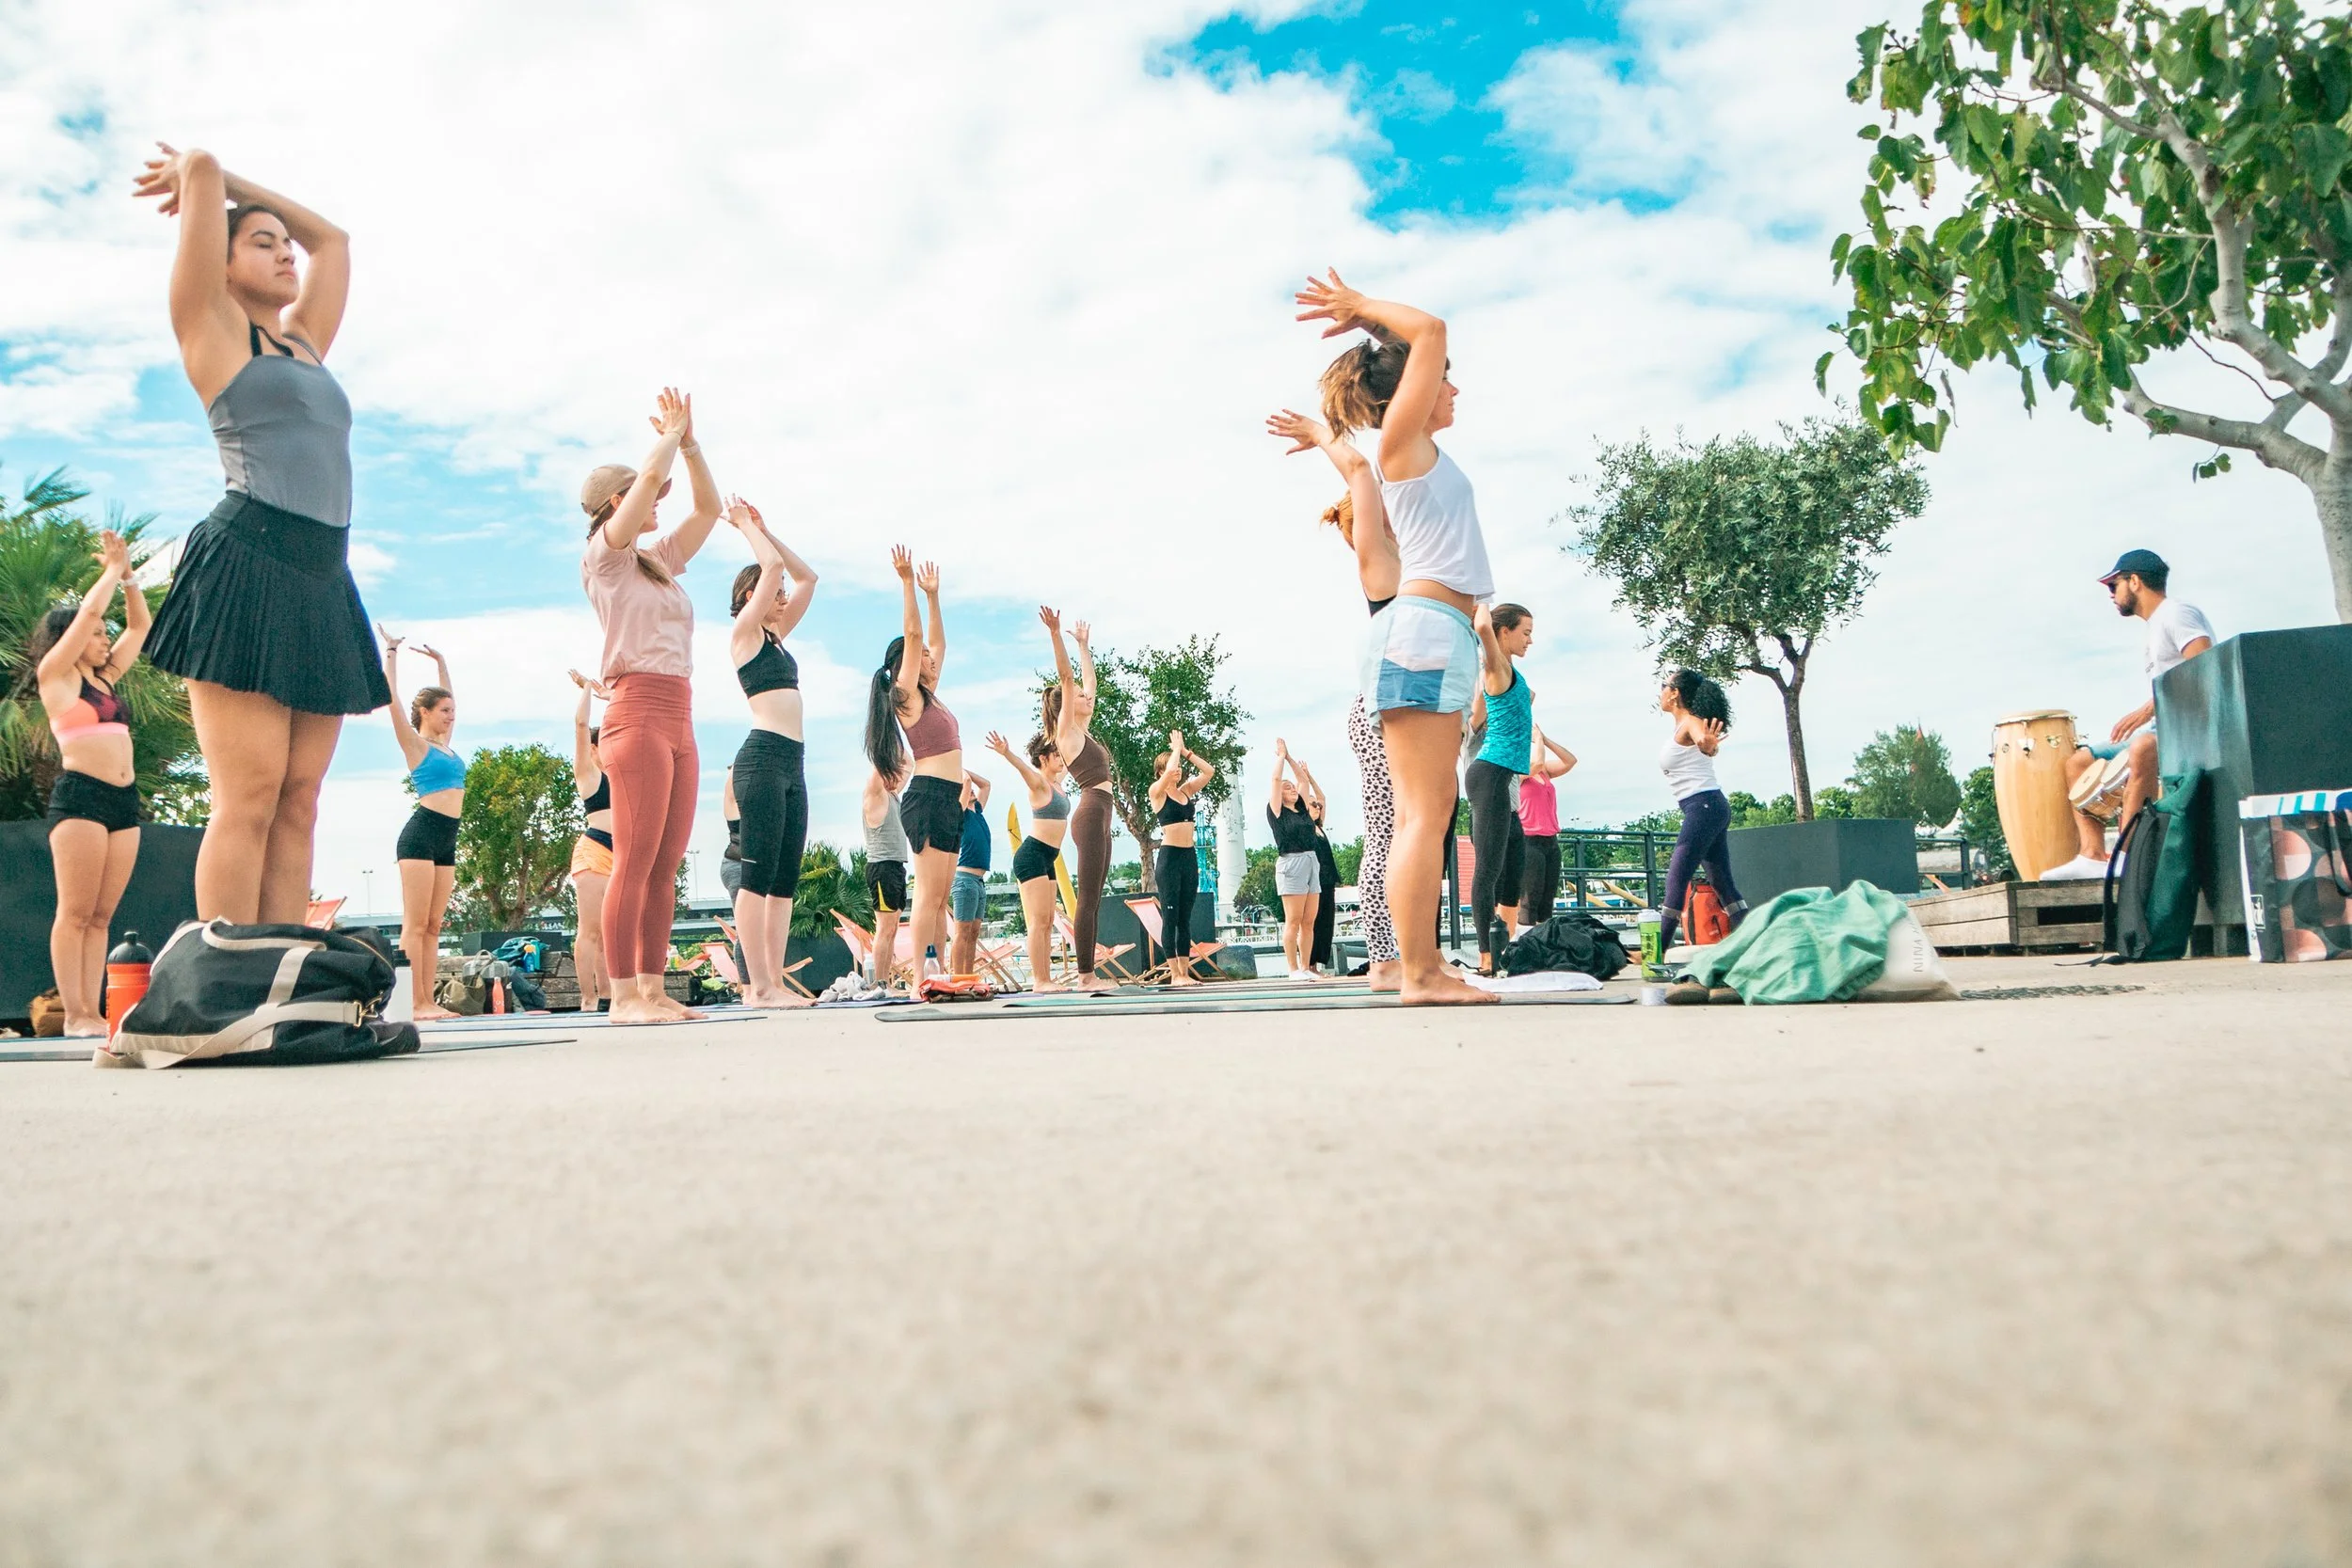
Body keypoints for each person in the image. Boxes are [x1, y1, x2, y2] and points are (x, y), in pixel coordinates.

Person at [132, 144, 389, 924]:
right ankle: (222, 978)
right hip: (246, 560)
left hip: (322, 574)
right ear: (223, 260)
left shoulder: (305, 340)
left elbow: (334, 242)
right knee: (246, 795)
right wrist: (207, 180)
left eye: (285, 244)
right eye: (261, 242)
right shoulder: (210, 326)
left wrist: (250, 196)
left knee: (299, 800)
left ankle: (283, 977)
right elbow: (203, 163)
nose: (286, 254)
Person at [1297, 269, 1492, 1004]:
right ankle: (1415, 973)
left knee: (1428, 813)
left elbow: (1427, 346)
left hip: (1434, 636)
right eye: (1444, 381)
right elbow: (1431, 331)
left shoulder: (1420, 454)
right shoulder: (1401, 445)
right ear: (1414, 387)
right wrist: (1363, 312)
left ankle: (1426, 966)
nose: (1453, 389)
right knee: (1421, 814)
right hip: (1423, 634)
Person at [579, 388, 723, 1024]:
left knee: (666, 866)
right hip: (636, 711)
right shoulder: (605, 560)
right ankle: (622, 998)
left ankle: (653, 988)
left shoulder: (656, 562)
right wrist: (666, 436)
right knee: (632, 863)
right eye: (646, 498)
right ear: (619, 505)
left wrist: (689, 445)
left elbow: (710, 508)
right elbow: (646, 486)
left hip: (679, 714)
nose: (657, 506)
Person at [1267, 406, 1404, 990]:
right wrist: (1325, 436)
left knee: (1408, 829)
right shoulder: (1379, 565)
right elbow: (1366, 480)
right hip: (1379, 713)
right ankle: (1384, 955)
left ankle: (1405, 950)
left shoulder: (1406, 568)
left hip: (1402, 708)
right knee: (1385, 832)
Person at [31, 531, 150, 1037]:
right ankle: (74, 1011)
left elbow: (141, 624)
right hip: (80, 797)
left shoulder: (108, 678)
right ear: (74, 638)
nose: (105, 638)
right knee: (75, 912)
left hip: (124, 801)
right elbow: (83, 619)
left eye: (106, 633)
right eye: (100, 633)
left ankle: (94, 1012)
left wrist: (127, 578)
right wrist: (106, 573)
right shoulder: (56, 674)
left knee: (102, 916)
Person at [2048, 549, 2217, 880]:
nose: (2111, 595)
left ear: (2135, 581)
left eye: (2114, 586)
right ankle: (2094, 855)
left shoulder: (2176, 613)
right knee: (2078, 763)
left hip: (2188, 732)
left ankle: (2128, 854)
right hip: (2163, 727)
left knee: (2141, 747)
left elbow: (2205, 665)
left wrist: (2147, 709)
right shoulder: (2156, 625)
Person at [724, 499, 819, 1007]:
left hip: (793, 764)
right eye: (772, 593)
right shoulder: (744, 635)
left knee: (784, 881)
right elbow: (777, 569)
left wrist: (767, 528)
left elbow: (807, 579)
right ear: (751, 594)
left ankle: (775, 984)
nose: (783, 598)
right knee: (757, 878)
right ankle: (757, 985)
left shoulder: (777, 636)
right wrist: (745, 528)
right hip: (760, 760)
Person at [866, 546, 961, 984]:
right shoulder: (905, 697)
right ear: (903, 663)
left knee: (942, 898)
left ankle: (935, 973)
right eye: (919, 655)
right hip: (925, 798)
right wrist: (907, 582)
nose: (929, 657)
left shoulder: (931, 693)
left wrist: (934, 597)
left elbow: (936, 642)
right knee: (927, 896)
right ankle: (922, 979)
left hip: (948, 799)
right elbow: (916, 635)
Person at [379, 629, 464, 1020]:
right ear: (426, 713)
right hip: (421, 835)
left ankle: (429, 1001)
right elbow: (392, 701)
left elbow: (450, 695)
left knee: (434, 926)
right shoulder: (417, 745)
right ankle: (414, 1003)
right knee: (414, 925)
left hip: (448, 837)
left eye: (453, 710)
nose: (451, 716)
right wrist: (392, 653)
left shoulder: (448, 746)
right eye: (444, 710)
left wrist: (442, 663)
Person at [1041, 608, 1114, 990]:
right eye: (1080, 698)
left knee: (1095, 897)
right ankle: (1085, 975)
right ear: (1066, 707)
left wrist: (1084, 645)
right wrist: (1056, 636)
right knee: (1086, 898)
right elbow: (1070, 681)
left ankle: (1090, 971)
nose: (1088, 697)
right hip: (1090, 812)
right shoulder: (1066, 733)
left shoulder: (1083, 729)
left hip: (1104, 813)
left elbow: (1088, 681)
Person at [1463, 603, 1536, 973]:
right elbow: (1480, 624)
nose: (1530, 639)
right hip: (1489, 775)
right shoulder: (1494, 665)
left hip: (1501, 777)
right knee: (1487, 870)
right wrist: (1481, 591)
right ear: (1503, 632)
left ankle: (1501, 944)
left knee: (1513, 867)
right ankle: (1485, 958)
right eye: (1525, 632)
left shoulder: (1511, 674)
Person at [1658, 669, 1746, 951]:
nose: (1660, 691)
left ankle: (1658, 949)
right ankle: (1750, 942)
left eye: (1664, 685)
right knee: (1722, 882)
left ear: (1675, 693)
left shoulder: (1691, 723)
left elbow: (1703, 740)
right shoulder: (1681, 726)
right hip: (1708, 807)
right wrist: (1707, 747)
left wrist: (1708, 745)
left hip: (1704, 807)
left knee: (1677, 876)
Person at [988, 730, 1070, 992]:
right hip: (1032, 855)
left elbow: (1073, 749)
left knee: (1048, 921)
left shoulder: (1058, 783)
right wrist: (1006, 752)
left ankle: (1046, 978)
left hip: (1049, 857)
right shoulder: (1040, 784)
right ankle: (1040, 981)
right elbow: (1024, 769)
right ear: (1043, 759)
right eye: (1056, 755)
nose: (1061, 759)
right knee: (1037, 921)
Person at [1148, 729, 1217, 985]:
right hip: (1169, 859)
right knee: (1171, 917)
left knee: (1185, 918)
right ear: (1161, 771)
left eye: (1178, 767)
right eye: (1171, 767)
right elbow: (1167, 774)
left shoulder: (1186, 790)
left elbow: (1209, 771)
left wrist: (1186, 751)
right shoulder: (1157, 792)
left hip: (1189, 857)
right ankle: (1174, 974)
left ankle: (1185, 974)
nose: (1177, 770)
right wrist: (1174, 750)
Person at [566, 670, 615, 1013]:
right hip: (594, 850)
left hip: (621, 852)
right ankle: (588, 997)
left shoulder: (621, 774)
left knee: (610, 932)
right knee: (591, 931)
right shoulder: (589, 773)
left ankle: (611, 996)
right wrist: (586, 690)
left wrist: (612, 699)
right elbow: (581, 728)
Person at [1266, 739, 1324, 980]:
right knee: (1294, 920)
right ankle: (1292, 969)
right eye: (1286, 787)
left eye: (1292, 788)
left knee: (1309, 921)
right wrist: (1280, 757)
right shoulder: (1277, 811)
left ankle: (1305, 966)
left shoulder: (1301, 811)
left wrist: (1290, 758)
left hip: (1311, 860)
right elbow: (1276, 780)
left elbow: (1302, 780)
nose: (1291, 788)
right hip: (1291, 863)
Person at [1516, 721, 1579, 936]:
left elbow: (1570, 761)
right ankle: (1526, 943)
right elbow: (1536, 763)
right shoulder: (1518, 773)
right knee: (1529, 898)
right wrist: (1537, 740)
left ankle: (1545, 943)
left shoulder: (1545, 773)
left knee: (1547, 899)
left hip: (1550, 841)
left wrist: (1545, 738)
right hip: (1529, 841)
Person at [862, 766, 911, 989]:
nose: (899, 777)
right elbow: (878, 768)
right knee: (884, 927)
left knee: (892, 929)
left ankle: (885, 982)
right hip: (881, 867)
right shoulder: (875, 796)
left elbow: (908, 764)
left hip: (897, 867)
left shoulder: (893, 797)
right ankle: (878, 984)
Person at [949, 772, 993, 975]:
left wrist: (968, 771)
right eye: (968, 790)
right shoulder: (960, 813)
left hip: (979, 881)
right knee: (962, 932)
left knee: (974, 933)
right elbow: (966, 782)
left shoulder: (977, 811)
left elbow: (985, 784)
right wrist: (959, 769)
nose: (973, 790)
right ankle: (959, 977)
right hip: (965, 880)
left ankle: (968, 976)